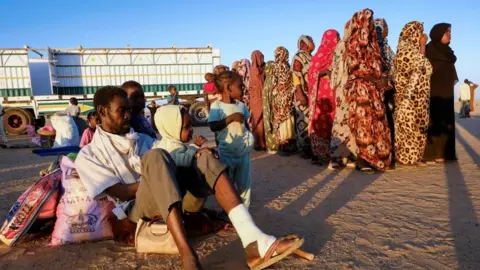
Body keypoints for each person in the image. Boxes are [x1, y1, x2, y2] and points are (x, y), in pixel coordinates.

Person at [75, 86, 304, 270]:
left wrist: (198, 156)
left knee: (203, 158)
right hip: (137, 211)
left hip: (175, 200)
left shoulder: (142, 140)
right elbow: (122, 193)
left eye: (128, 109)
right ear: (102, 112)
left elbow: (175, 161)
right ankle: (188, 257)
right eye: (121, 110)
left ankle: (254, 241)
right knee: (156, 158)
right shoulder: (89, 155)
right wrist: (160, 174)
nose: (128, 114)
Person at [344, 9, 392, 173]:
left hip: (375, 91)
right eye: (369, 21)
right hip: (361, 90)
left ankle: (377, 159)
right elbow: (354, 68)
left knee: (377, 126)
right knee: (363, 126)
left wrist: (383, 80)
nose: (371, 24)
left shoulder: (374, 44)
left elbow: (382, 66)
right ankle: (363, 160)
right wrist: (373, 79)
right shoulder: (353, 43)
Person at [208, 71, 254, 207]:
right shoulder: (217, 106)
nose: (243, 89)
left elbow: (245, 124)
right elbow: (213, 126)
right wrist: (230, 119)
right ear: (229, 88)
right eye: (240, 86)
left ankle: (245, 208)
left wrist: (250, 138)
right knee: (228, 182)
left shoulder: (241, 105)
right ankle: (230, 208)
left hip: (243, 151)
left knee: (245, 183)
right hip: (227, 152)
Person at [393, 21, 432, 166]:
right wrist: (422, 45)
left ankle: (415, 157)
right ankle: (405, 158)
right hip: (407, 98)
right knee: (407, 127)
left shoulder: (414, 50)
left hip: (419, 97)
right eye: (419, 32)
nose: (422, 35)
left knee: (418, 127)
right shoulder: (404, 51)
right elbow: (420, 65)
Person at [423, 23, 458, 163]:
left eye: (450, 31)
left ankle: (444, 153)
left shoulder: (447, 51)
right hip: (435, 91)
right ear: (438, 34)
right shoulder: (431, 49)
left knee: (447, 119)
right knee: (436, 119)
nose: (449, 34)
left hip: (447, 91)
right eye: (446, 32)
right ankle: (433, 154)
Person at [307, 30, 340, 167]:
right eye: (335, 38)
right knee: (321, 121)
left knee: (334, 121)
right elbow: (311, 73)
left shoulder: (338, 55)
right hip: (322, 94)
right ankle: (319, 155)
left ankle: (334, 155)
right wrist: (323, 72)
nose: (337, 40)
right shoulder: (318, 56)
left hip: (334, 93)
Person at [330, 16, 358, 169]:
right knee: (341, 120)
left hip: (354, 88)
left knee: (352, 121)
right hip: (343, 87)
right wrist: (345, 60)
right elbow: (336, 68)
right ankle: (335, 156)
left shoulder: (357, 43)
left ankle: (349, 155)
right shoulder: (342, 45)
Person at [375, 18, 396, 169]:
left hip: (388, 89)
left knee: (388, 120)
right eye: (385, 26)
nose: (387, 29)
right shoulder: (376, 47)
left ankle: (388, 154)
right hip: (377, 89)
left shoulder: (386, 46)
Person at [292, 35, 315, 159]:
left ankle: (311, 146)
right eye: (311, 41)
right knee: (302, 120)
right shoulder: (298, 57)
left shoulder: (311, 57)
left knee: (310, 120)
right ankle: (303, 148)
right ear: (305, 43)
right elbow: (296, 75)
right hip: (303, 94)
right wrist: (300, 93)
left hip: (311, 93)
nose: (313, 43)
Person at [272, 47, 296, 156]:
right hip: (285, 97)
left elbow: (273, 82)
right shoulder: (285, 66)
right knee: (286, 121)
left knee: (279, 120)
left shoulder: (274, 66)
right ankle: (285, 146)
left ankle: (281, 145)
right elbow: (287, 82)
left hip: (277, 97)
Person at [249, 50, 266, 151]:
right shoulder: (254, 70)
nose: (262, 60)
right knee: (257, 120)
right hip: (257, 99)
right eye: (261, 58)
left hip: (260, 98)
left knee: (263, 121)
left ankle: (262, 142)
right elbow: (260, 86)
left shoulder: (260, 69)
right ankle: (259, 143)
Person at [262, 61, 279, 153]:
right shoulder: (274, 79)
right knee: (274, 123)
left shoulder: (267, 79)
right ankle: (275, 145)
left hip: (267, 107)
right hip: (274, 106)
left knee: (268, 123)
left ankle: (271, 145)